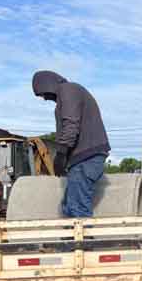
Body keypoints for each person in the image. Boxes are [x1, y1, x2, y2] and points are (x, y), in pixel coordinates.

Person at [32, 70, 111, 218]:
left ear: (47, 84)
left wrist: (61, 154)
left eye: (43, 94)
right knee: (68, 207)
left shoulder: (68, 90)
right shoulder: (69, 92)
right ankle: (74, 233)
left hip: (86, 158)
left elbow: (71, 125)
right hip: (82, 159)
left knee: (77, 209)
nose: (44, 98)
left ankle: (82, 234)